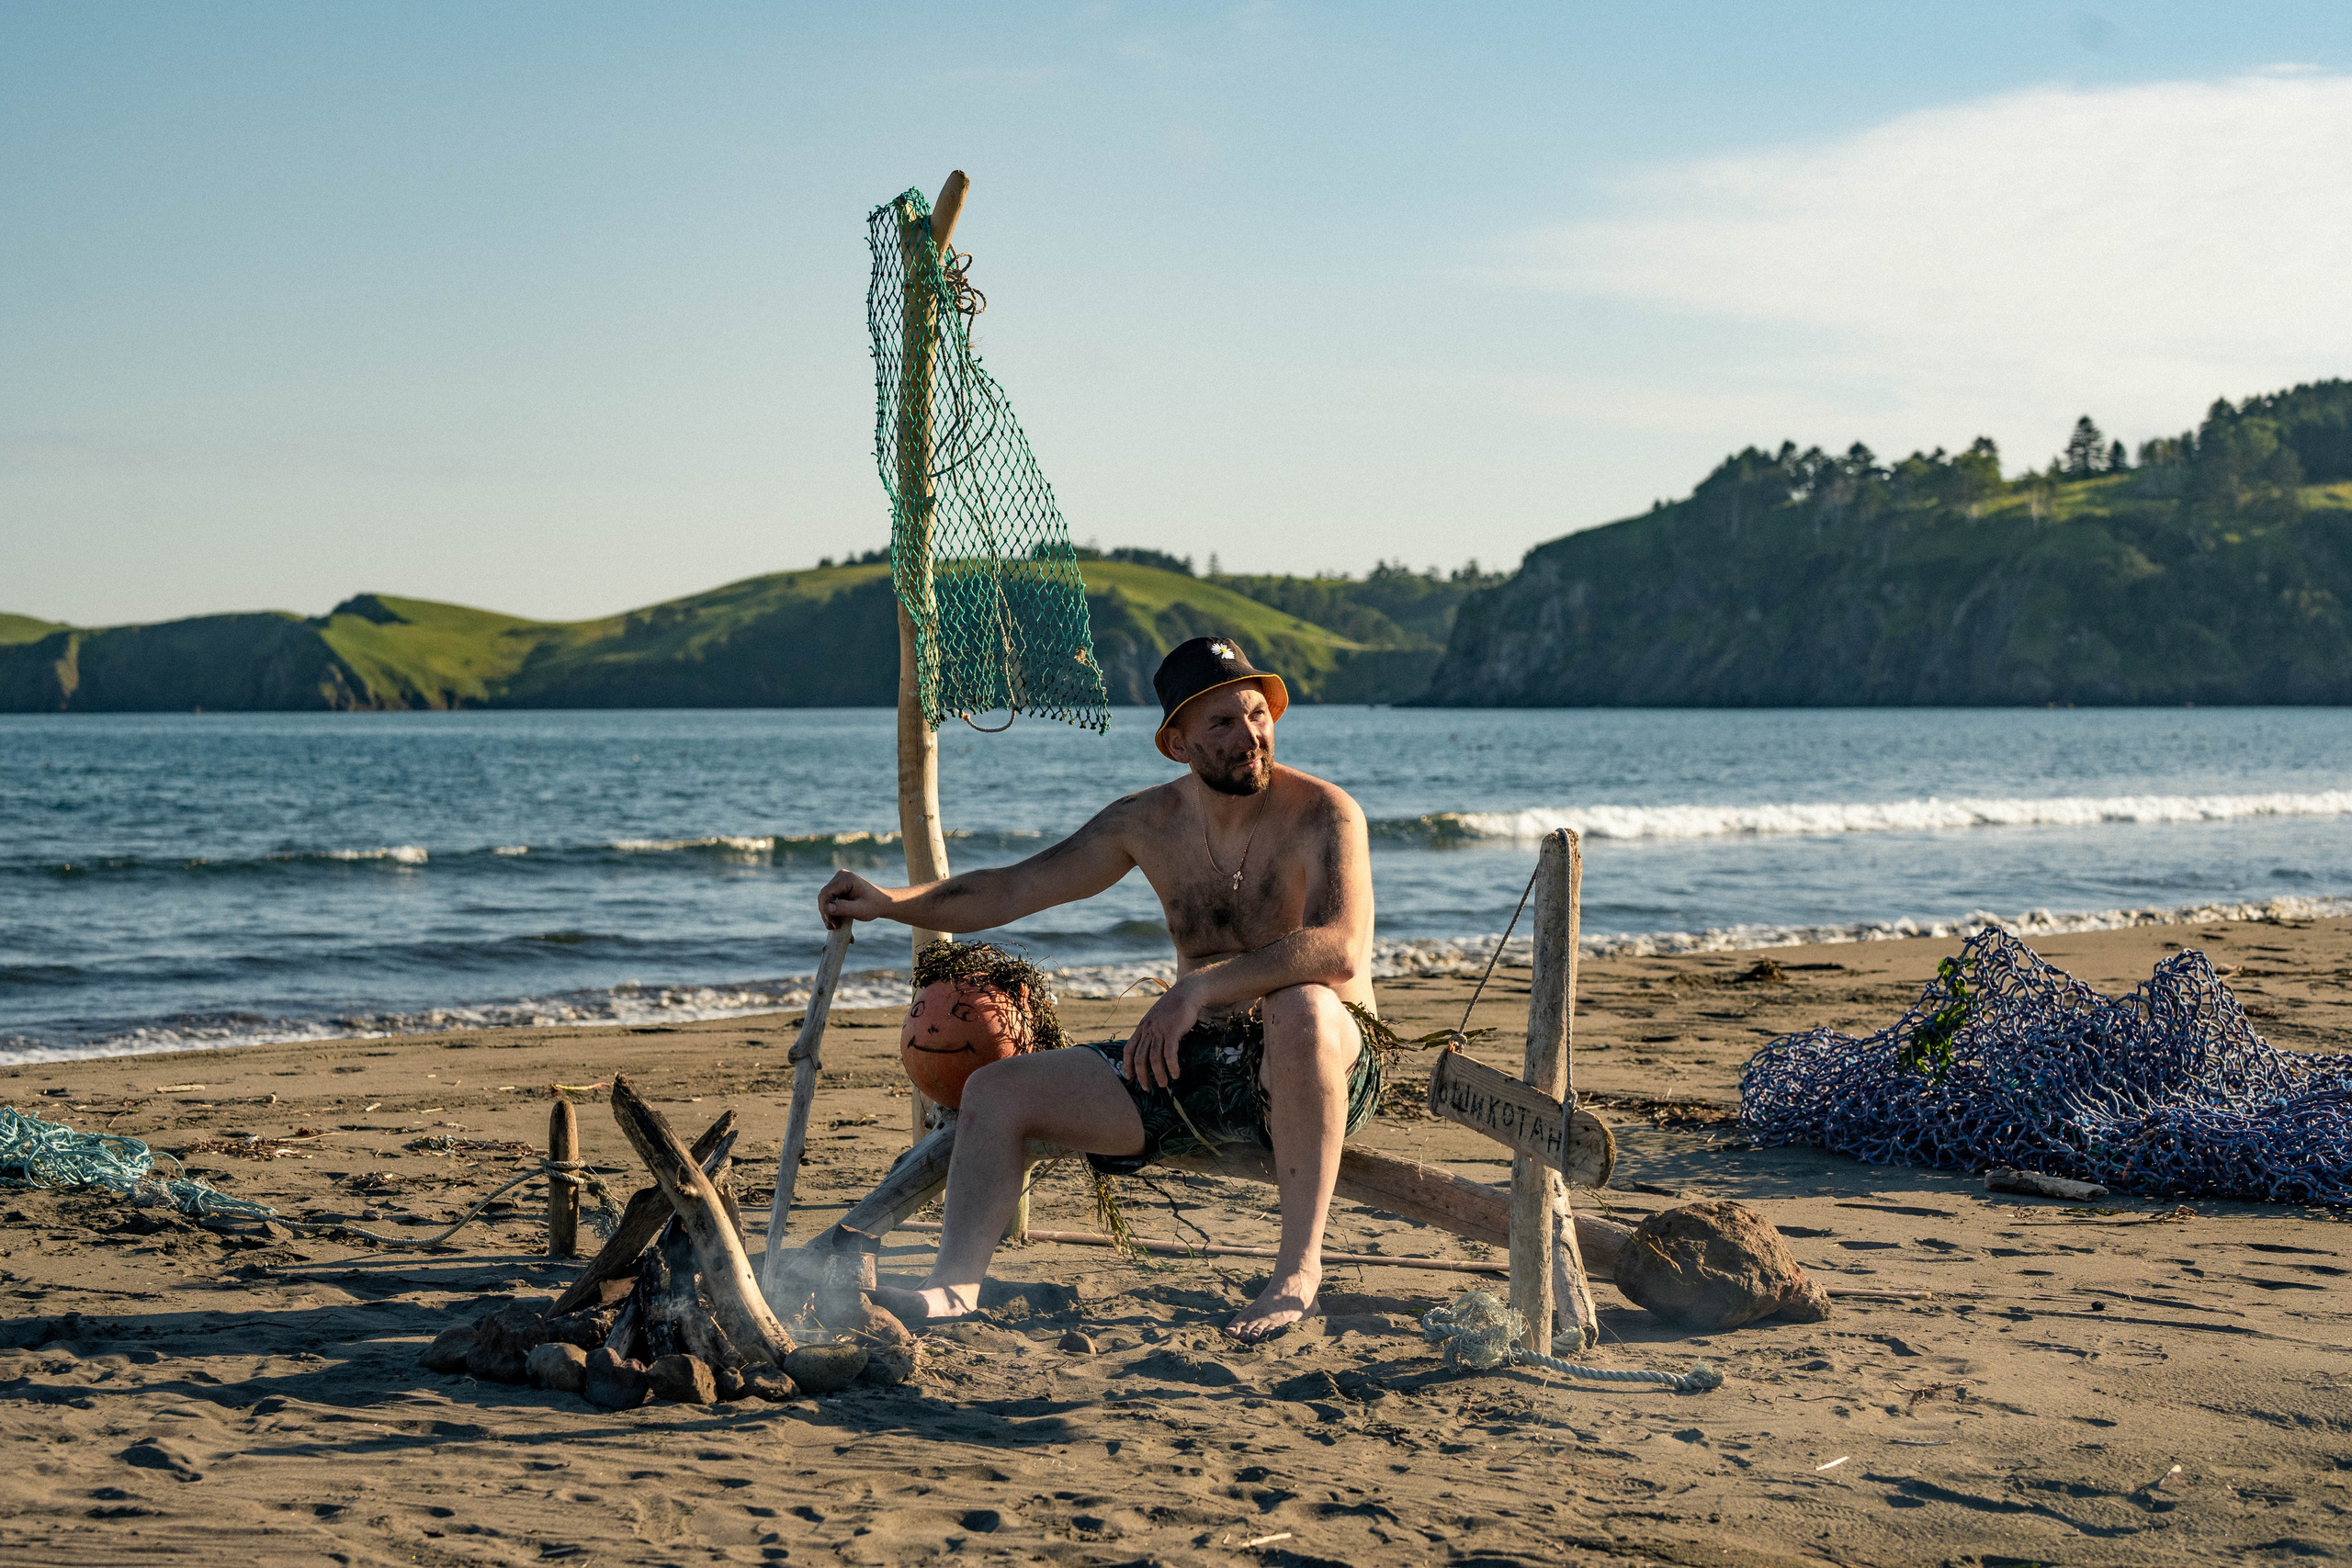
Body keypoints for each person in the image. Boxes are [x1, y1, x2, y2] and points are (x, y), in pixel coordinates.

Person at [817, 637, 1382, 1342]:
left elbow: (1339, 947)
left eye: (1257, 715)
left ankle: (1298, 1269)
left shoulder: (1326, 813)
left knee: (1299, 1005)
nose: (1250, 737)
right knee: (995, 1092)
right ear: (1176, 743)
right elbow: (1014, 886)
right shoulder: (1146, 823)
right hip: (1200, 1065)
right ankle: (954, 1286)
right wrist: (890, 901)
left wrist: (1196, 988)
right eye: (1223, 724)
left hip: (1321, 1064)